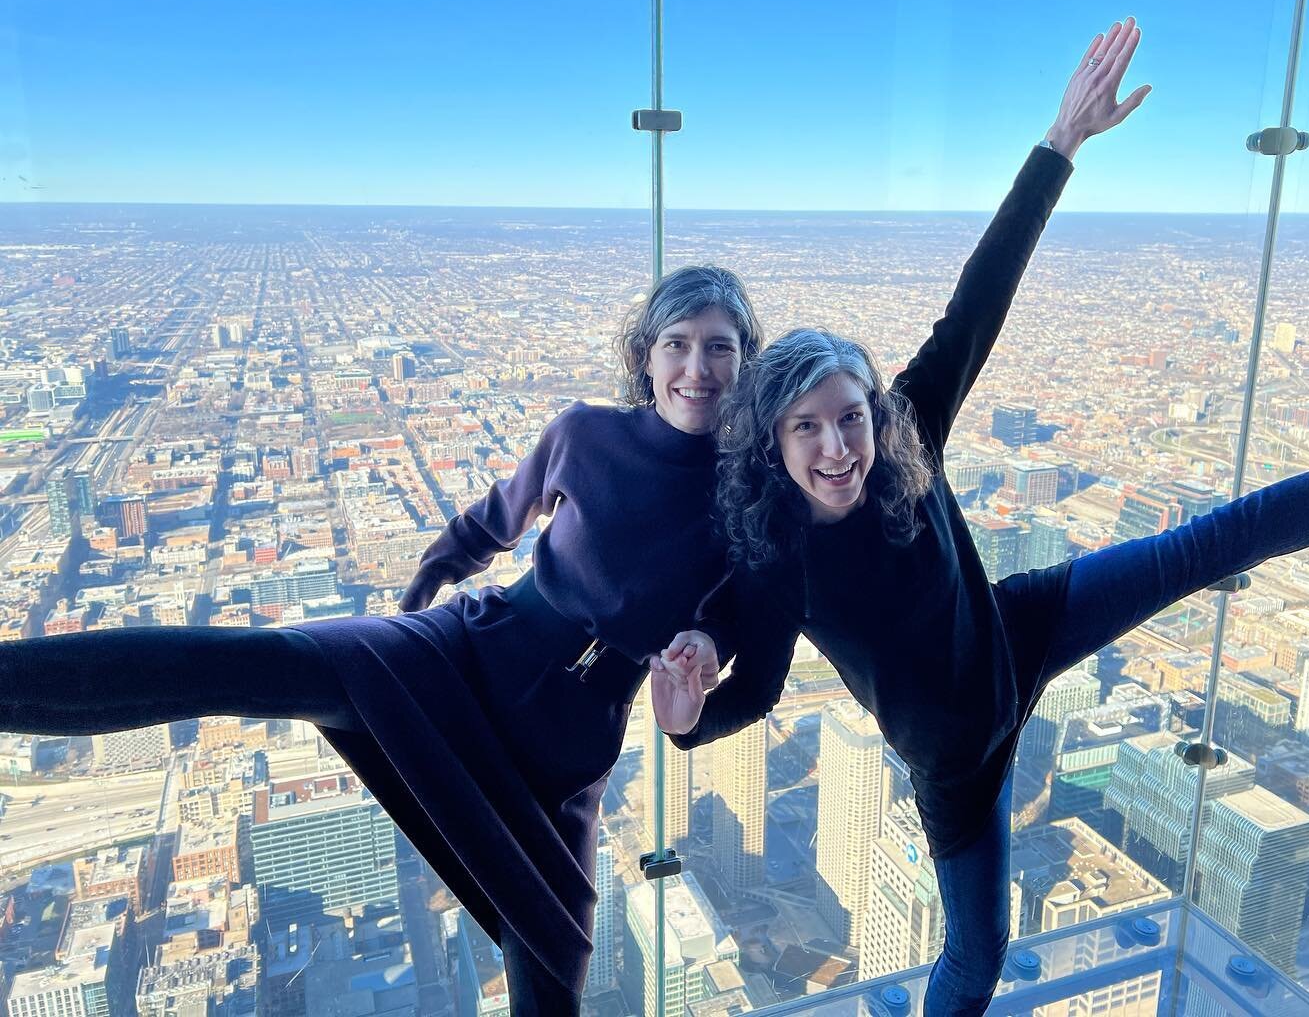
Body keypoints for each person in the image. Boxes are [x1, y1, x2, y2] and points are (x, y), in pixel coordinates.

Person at [649, 22, 1309, 1013]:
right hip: (955, 761)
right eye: (807, 428)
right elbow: (756, 691)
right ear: (772, 442)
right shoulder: (773, 553)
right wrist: (687, 724)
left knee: (1217, 541)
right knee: (979, 955)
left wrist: (1059, 144)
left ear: (874, 409)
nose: (838, 446)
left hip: (1023, 627)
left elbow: (981, 298)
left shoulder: (904, 429)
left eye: (849, 416)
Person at [0, 265, 758, 1016]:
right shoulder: (584, 433)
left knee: (554, 968)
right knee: (258, 666)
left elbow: (727, 625)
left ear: (745, 363)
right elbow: (486, 525)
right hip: (470, 650)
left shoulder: (747, 495)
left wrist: (701, 656)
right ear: (646, 356)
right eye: (677, 343)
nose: (697, 367)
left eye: (720, 348)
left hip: (571, 744)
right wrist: (410, 612)